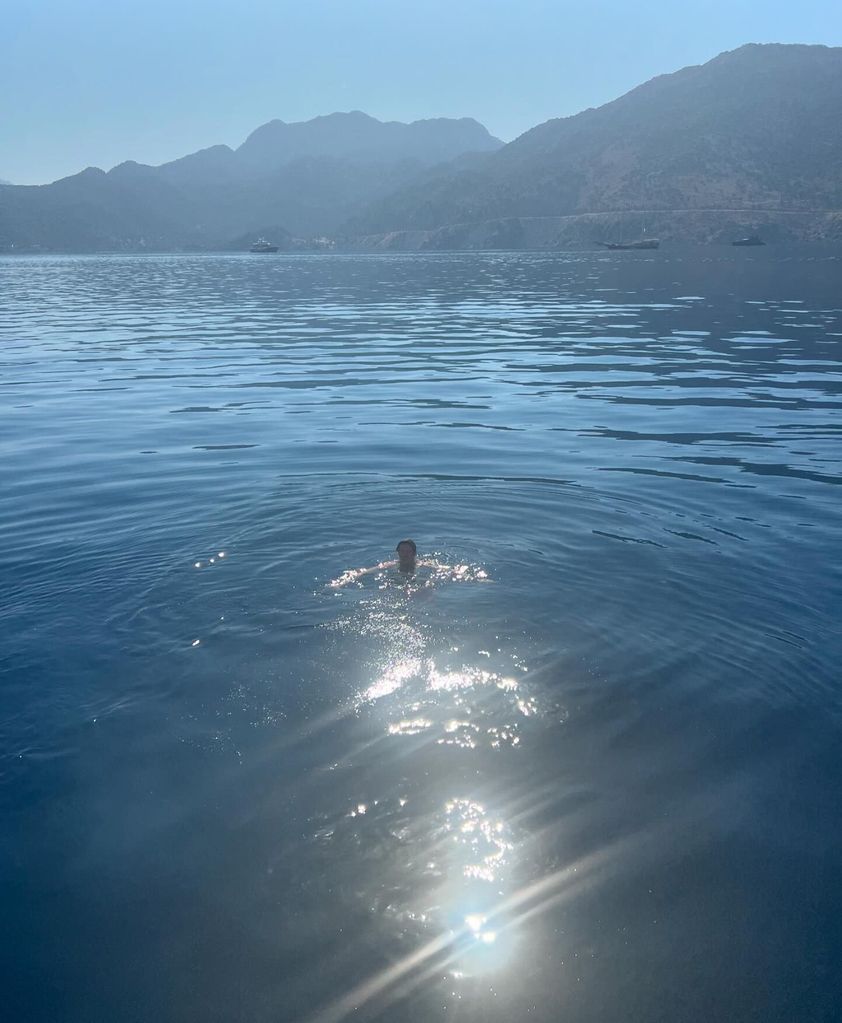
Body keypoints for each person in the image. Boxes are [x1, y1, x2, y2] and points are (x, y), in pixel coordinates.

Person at [329, 540, 489, 589]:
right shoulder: (391, 564)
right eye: (401, 551)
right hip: (398, 584)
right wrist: (341, 583)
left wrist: (475, 578)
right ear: (397, 552)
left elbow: (449, 570)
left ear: (413, 553)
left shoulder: (424, 565)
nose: (404, 554)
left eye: (407, 552)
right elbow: (363, 572)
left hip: (419, 584)